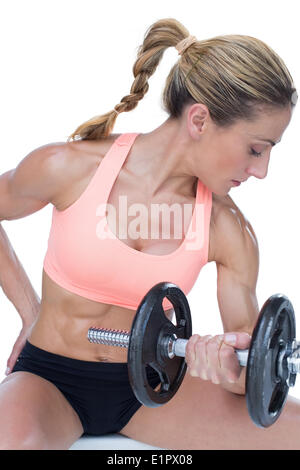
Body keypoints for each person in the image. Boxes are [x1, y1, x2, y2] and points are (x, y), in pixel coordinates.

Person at [0, 17, 298, 450]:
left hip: (158, 392)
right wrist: (30, 311)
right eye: (255, 149)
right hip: (51, 379)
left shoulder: (229, 229)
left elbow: (252, 375)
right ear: (199, 120)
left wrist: (223, 366)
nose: (262, 171)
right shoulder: (69, 167)